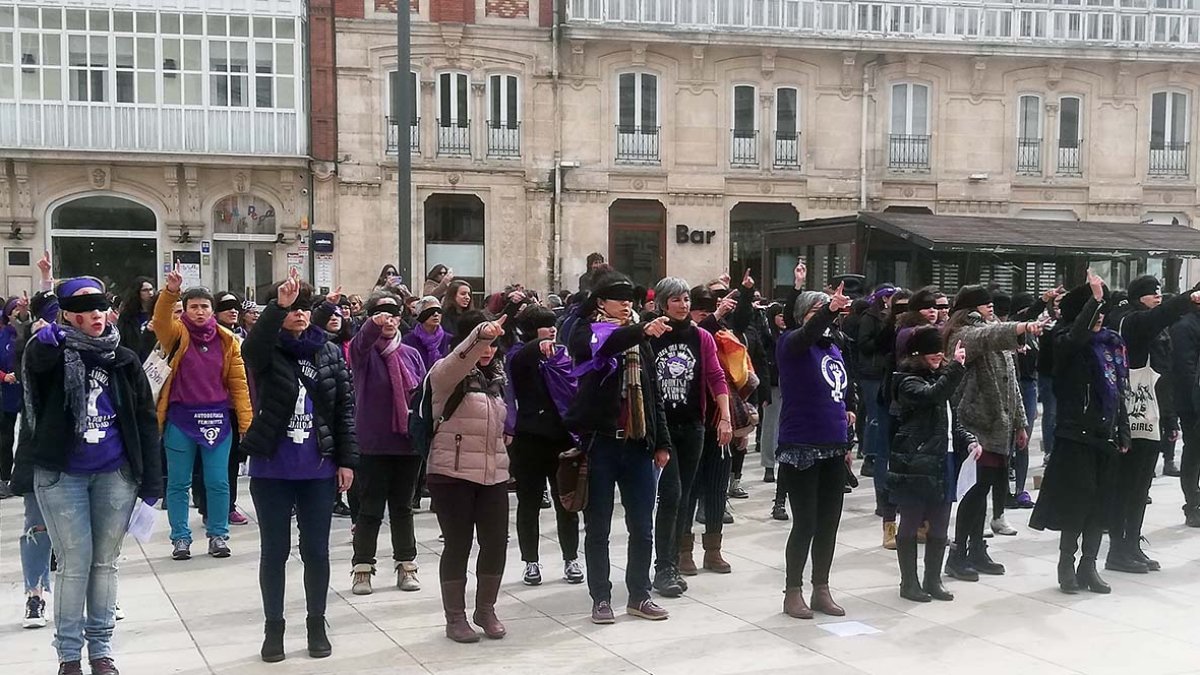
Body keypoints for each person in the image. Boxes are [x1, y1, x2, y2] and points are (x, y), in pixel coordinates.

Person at [12, 276, 162, 675]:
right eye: (84, 309)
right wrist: (39, 338)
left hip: (115, 474)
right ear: (67, 316)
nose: (95, 315)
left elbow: (146, 420)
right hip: (63, 476)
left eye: (100, 308)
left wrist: (152, 483)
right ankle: (68, 655)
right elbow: (28, 371)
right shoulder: (47, 351)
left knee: (105, 563)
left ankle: (102, 650)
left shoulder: (123, 358)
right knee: (75, 562)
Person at [241, 272, 357, 663]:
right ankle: (273, 627)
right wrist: (278, 306)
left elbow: (344, 408)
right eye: (293, 309)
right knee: (274, 551)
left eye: (305, 309)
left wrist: (347, 461)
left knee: (317, 552)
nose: (300, 315)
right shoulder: (266, 349)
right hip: (272, 469)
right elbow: (252, 349)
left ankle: (316, 623)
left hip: (318, 469)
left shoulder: (328, 351)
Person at [566, 270, 673, 624]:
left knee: (642, 526)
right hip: (601, 445)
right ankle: (601, 598)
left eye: (630, 299)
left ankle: (639, 595)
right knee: (598, 528)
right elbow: (603, 346)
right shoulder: (586, 332)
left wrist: (662, 442)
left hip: (638, 444)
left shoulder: (638, 339)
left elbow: (653, 390)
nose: (626, 304)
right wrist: (641, 329)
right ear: (600, 302)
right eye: (618, 297)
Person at [1031, 272, 1128, 594]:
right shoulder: (1063, 341)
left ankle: (1089, 565)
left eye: (1103, 312)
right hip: (1075, 434)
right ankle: (1066, 565)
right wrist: (1094, 299)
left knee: (1100, 504)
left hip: (1104, 434)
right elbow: (1075, 337)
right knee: (1077, 502)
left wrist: (1122, 429)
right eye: (1094, 312)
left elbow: (1118, 391)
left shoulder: (1112, 343)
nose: (1100, 319)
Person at [153, 265, 254, 561]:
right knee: (178, 482)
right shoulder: (176, 334)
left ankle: (219, 535)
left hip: (218, 420)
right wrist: (170, 292)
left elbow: (239, 384)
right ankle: (180, 538)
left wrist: (246, 423)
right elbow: (160, 320)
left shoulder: (227, 340)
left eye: (204, 307)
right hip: (181, 420)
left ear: (212, 310)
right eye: (193, 307)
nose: (199, 312)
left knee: (218, 481)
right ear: (184, 310)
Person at [942, 285, 1040, 581]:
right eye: (983, 304)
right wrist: (1022, 326)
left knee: (983, 490)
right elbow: (984, 337)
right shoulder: (963, 334)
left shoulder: (994, 330)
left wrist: (1020, 423)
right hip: (974, 425)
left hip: (1000, 426)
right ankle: (958, 554)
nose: (989, 308)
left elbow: (1012, 383)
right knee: (972, 493)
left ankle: (977, 549)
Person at [1103, 275, 1200, 574]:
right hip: (1130, 414)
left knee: (1142, 484)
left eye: (1159, 293)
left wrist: (1170, 418)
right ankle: (1118, 548)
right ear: (1138, 297)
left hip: (1153, 413)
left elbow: (1165, 376)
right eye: (1151, 294)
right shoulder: (1129, 321)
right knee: (1127, 483)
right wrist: (1187, 299)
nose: (1157, 298)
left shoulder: (1157, 328)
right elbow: (1155, 321)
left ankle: (1132, 542)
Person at [775, 261, 853, 620]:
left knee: (829, 522)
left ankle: (821, 586)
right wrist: (828, 311)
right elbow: (807, 334)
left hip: (834, 445)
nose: (828, 318)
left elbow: (842, 390)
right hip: (801, 446)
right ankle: (793, 590)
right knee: (804, 522)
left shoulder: (834, 348)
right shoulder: (791, 343)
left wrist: (850, 418)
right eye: (818, 311)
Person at [425, 310, 510, 643]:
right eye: (483, 343)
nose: (488, 350)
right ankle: (455, 618)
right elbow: (462, 358)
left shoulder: (497, 378)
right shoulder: (446, 372)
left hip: (493, 474)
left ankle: (485, 609)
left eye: (493, 344)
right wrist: (480, 337)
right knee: (458, 545)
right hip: (451, 474)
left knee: (495, 543)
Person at [648, 278, 732, 597]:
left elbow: (716, 376)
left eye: (685, 299)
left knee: (683, 497)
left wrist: (724, 416)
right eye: (676, 300)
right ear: (663, 304)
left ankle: (671, 561)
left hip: (693, 425)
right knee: (670, 495)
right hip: (662, 427)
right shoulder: (653, 335)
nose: (683, 305)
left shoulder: (701, 337)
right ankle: (664, 566)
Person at [348, 291, 427, 596]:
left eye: (393, 314)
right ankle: (362, 569)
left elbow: (423, 393)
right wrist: (371, 324)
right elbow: (359, 344)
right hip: (373, 444)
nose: (389, 320)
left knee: (402, 507)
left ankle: (406, 565)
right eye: (382, 314)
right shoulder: (365, 353)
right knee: (369, 510)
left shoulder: (411, 354)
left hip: (407, 443)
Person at [888, 327, 973, 603]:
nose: (937, 356)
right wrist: (956, 368)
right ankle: (909, 582)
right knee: (911, 521)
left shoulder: (942, 378)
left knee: (940, 522)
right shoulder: (906, 381)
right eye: (931, 351)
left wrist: (969, 440)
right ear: (917, 353)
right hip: (915, 460)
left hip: (943, 458)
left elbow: (951, 420)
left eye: (940, 351)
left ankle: (932, 579)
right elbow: (932, 396)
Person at [507, 306, 586, 587]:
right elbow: (520, 361)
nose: (552, 330)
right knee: (528, 504)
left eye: (553, 325)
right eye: (544, 326)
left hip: (563, 440)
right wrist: (536, 345)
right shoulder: (519, 357)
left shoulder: (563, 357)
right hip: (529, 440)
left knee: (567, 503)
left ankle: (571, 558)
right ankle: (531, 562)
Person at [1171, 299, 1200, 527]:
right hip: (1191, 402)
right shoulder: (1185, 326)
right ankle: (1193, 504)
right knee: (1194, 453)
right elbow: (1185, 368)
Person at [403, 296, 453, 371]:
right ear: (421, 314)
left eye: (438, 311)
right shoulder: (408, 341)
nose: (436, 314)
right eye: (430, 311)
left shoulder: (449, 340)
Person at [115, 276, 156, 361]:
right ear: (137, 292)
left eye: (151, 289)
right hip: (134, 358)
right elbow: (121, 339)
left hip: (153, 359)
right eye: (145, 290)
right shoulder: (128, 316)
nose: (150, 293)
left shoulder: (157, 313)